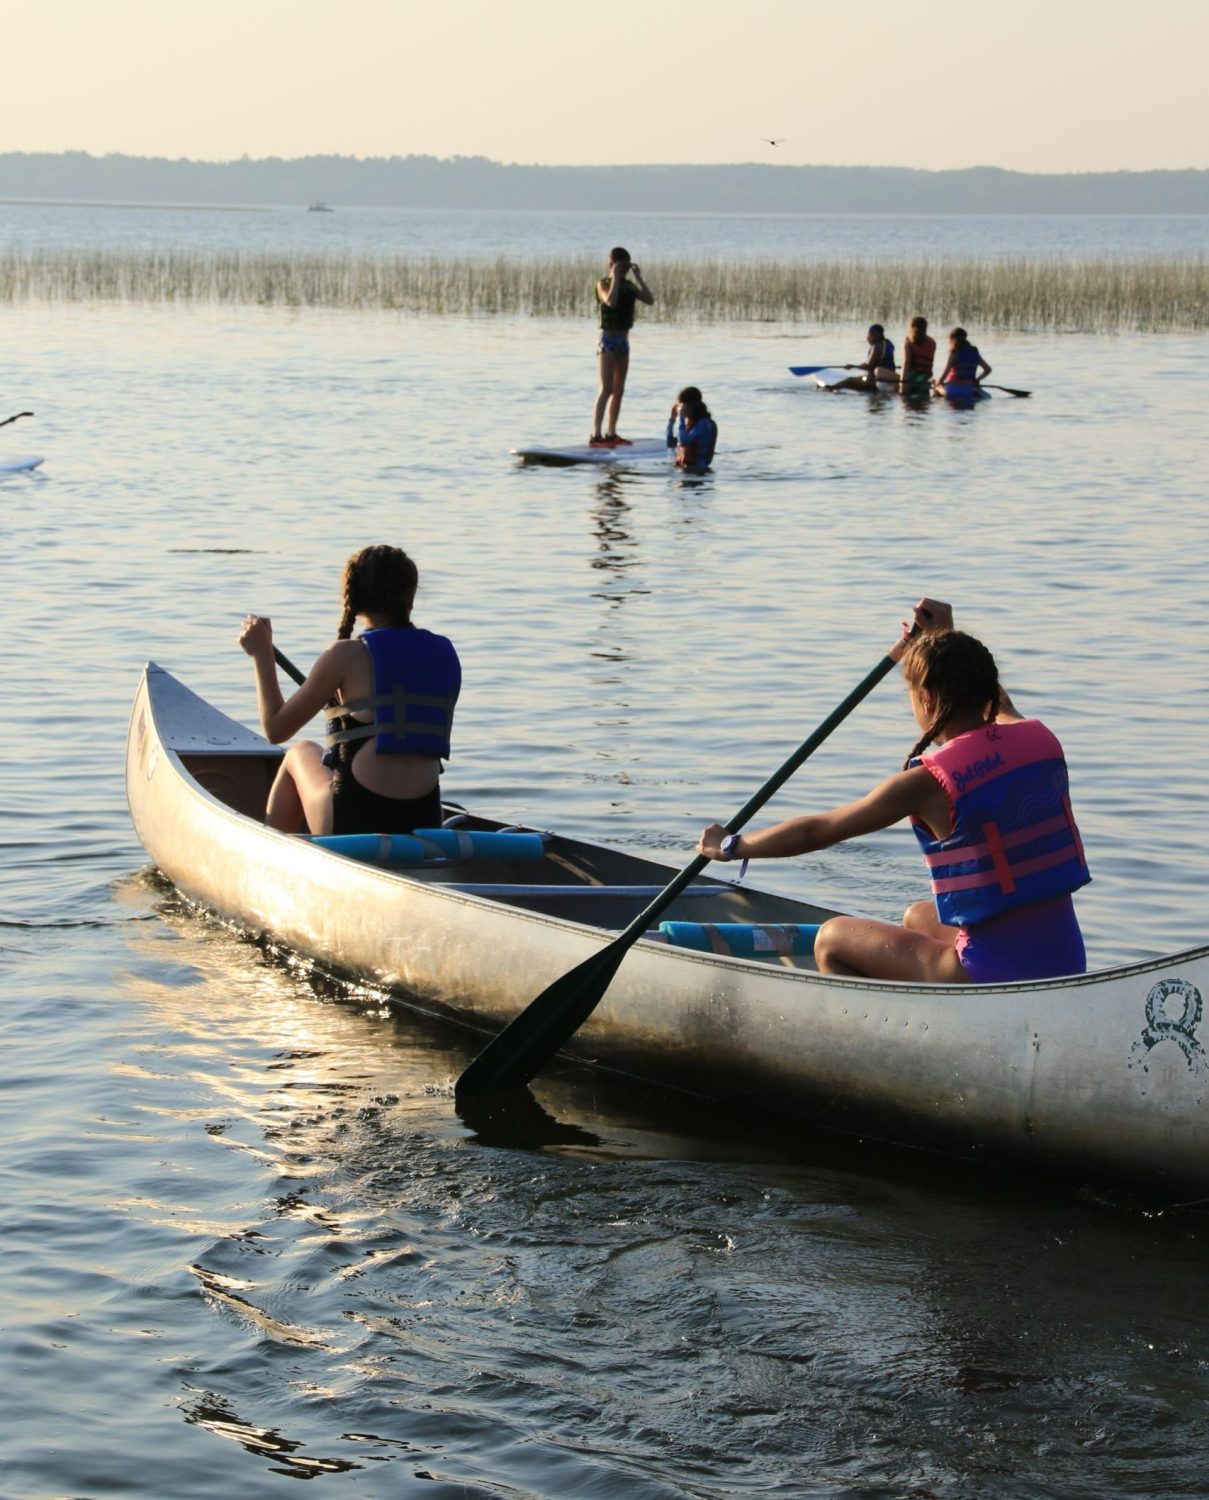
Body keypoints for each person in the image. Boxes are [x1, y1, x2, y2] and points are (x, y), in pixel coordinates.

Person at [697, 599, 1090, 984]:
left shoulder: (929, 783)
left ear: (927, 699)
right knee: (918, 917)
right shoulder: (1038, 738)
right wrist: (945, 637)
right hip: (1066, 962)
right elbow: (996, 700)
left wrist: (731, 846)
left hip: (987, 973)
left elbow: (817, 831)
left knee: (832, 938)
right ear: (985, 688)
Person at [238, 544, 461, 837]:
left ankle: (271, 865)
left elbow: (276, 729)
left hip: (356, 816)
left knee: (299, 752)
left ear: (355, 597)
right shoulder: (444, 653)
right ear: (411, 595)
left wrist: (262, 654)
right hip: (424, 816)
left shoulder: (346, 654)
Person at [590, 247, 654, 447]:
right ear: (611, 265)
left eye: (627, 267)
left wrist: (639, 278)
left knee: (619, 389)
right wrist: (615, 277)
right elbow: (610, 301)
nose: (624, 270)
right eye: (621, 266)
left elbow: (650, 300)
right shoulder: (603, 284)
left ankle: (611, 433)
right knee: (606, 388)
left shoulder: (629, 286)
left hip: (623, 341)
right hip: (608, 339)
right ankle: (596, 434)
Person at [827, 324, 897, 392]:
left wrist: (852, 366)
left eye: (869, 335)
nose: (867, 338)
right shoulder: (888, 343)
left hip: (874, 380)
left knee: (849, 380)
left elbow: (869, 367)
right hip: (889, 378)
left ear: (875, 336)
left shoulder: (876, 348)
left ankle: (830, 389)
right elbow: (878, 362)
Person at [666, 385, 718, 473]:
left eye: (682, 405)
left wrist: (681, 418)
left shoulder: (704, 424)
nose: (680, 408)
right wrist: (672, 420)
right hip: (686, 469)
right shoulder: (689, 425)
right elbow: (670, 443)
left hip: (698, 470)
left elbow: (684, 441)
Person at [934, 327, 991, 398]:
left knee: (937, 387)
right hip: (969, 390)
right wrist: (978, 379)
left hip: (951, 391)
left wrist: (937, 383)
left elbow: (943, 377)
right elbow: (988, 369)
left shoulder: (954, 354)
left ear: (952, 340)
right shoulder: (974, 352)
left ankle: (938, 389)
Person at [898, 316, 936, 397]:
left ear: (912, 328)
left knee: (878, 371)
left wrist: (902, 385)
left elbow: (906, 364)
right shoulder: (932, 342)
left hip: (912, 380)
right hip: (925, 378)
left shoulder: (908, 344)